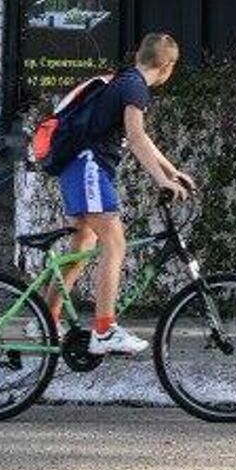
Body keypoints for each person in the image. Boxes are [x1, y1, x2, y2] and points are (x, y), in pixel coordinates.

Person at [47, 31, 195, 355]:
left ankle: (45, 320)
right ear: (167, 67)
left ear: (140, 55)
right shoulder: (135, 87)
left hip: (78, 167)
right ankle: (103, 330)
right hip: (89, 167)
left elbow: (141, 137)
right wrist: (162, 181)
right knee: (115, 243)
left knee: (84, 245)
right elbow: (137, 137)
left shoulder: (127, 81)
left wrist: (171, 172)